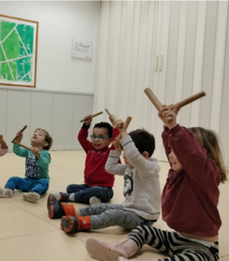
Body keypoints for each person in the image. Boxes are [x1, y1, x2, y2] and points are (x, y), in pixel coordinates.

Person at [85, 105, 226, 261]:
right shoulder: (178, 172)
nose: (170, 155)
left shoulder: (205, 174)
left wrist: (174, 127)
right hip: (177, 240)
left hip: (202, 248)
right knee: (143, 231)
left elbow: (191, 155)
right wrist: (168, 127)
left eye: (177, 152)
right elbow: (175, 147)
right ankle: (120, 249)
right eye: (171, 150)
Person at [47, 120, 161, 234]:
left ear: (144, 155)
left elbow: (134, 156)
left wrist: (124, 132)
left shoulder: (150, 168)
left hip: (143, 218)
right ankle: (63, 210)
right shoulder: (130, 167)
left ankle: (82, 223)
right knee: (100, 208)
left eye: (125, 153)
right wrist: (116, 150)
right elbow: (110, 167)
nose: (124, 156)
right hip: (128, 209)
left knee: (113, 215)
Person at [53, 115, 119, 205]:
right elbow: (81, 138)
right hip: (88, 186)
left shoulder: (110, 152)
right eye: (94, 136)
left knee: (96, 190)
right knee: (70, 188)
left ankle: (70, 197)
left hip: (105, 189)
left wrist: (115, 127)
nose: (96, 140)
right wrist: (86, 125)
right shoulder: (90, 149)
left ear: (110, 140)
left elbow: (117, 141)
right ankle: (91, 199)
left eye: (101, 137)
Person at [0, 128, 52, 203]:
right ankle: (8, 191)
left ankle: (33, 193)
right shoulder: (29, 151)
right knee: (13, 179)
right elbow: (17, 151)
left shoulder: (45, 153)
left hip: (39, 181)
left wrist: (38, 155)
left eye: (40, 134)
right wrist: (18, 141)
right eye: (34, 133)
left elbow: (44, 164)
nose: (35, 134)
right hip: (27, 180)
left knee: (44, 182)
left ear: (45, 143)